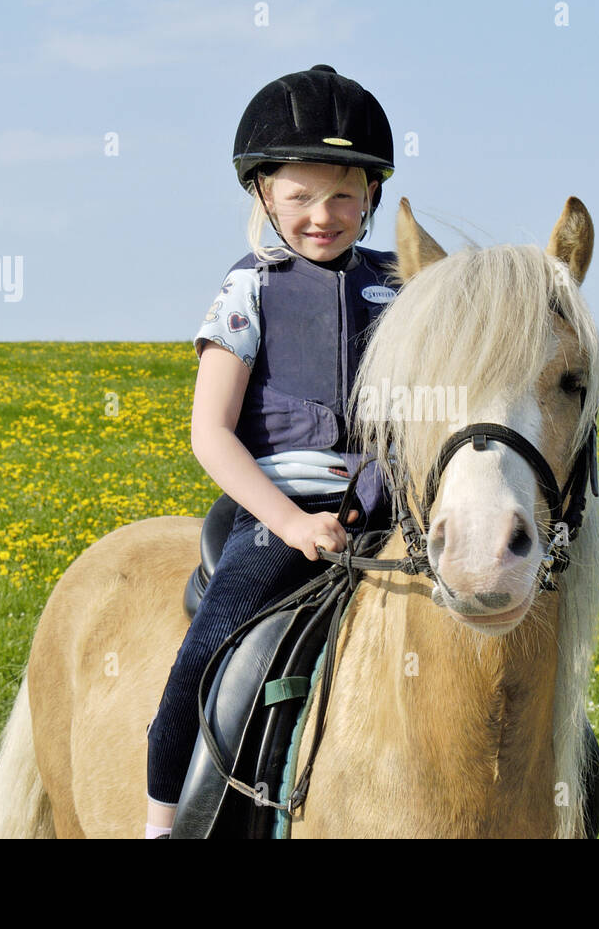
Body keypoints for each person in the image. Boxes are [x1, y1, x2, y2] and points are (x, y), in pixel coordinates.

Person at [144, 65, 402, 838]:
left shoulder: (406, 287)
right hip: (275, 513)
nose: (323, 215)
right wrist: (291, 525)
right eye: (300, 196)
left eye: (343, 196)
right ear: (264, 196)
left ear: (371, 197)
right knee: (207, 650)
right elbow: (210, 434)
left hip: (386, 508)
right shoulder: (249, 288)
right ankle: (163, 826)